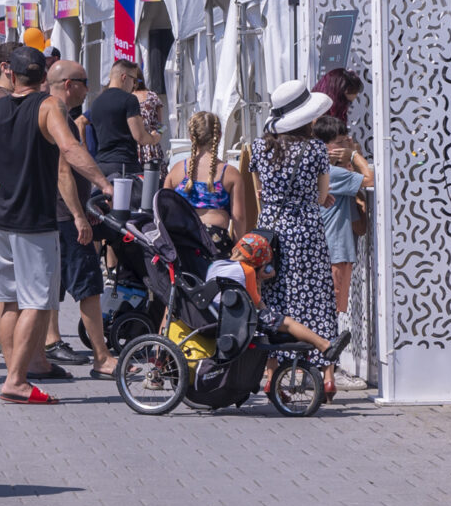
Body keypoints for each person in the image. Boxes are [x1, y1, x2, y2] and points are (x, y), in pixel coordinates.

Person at [0, 43, 112, 404]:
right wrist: (103, 182)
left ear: (11, 73)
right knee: (37, 301)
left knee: (7, 302)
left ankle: (14, 372)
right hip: (34, 221)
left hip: (0, 218)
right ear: (42, 73)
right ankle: (17, 380)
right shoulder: (48, 106)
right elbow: (69, 149)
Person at [254, 79, 344, 393]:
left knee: (274, 300)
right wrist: (312, 198)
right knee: (317, 298)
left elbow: (260, 195)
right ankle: (328, 375)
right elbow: (321, 197)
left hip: (271, 233)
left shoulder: (259, 147)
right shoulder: (317, 149)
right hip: (306, 233)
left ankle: (270, 373)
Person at [45, 59, 117, 379]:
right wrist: (80, 214)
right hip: (64, 213)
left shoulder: (38, 111)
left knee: (49, 283)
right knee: (88, 284)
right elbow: (64, 170)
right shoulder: (62, 119)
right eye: (86, 82)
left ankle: (49, 342)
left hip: (42, 214)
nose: (89, 89)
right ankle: (101, 357)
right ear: (70, 85)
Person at [210, 232, 344, 355]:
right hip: (240, 317)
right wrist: (259, 279)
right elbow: (256, 303)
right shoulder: (247, 270)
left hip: (217, 314)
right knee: (288, 323)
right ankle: (325, 346)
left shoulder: (215, 265)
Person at [164, 110, 240, 258]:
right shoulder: (230, 173)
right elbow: (239, 218)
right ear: (219, 136)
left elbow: (164, 210)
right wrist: (237, 254)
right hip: (217, 242)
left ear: (191, 137)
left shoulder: (176, 170)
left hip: (183, 242)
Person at [323, 127, 375, 317]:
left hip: (331, 253)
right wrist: (354, 154)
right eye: (342, 141)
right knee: (331, 313)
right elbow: (371, 180)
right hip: (334, 254)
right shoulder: (333, 173)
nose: (348, 143)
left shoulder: (327, 174)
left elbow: (359, 227)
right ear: (328, 147)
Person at [83, 60, 153, 178]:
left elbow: (81, 123)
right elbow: (140, 137)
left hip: (102, 166)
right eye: (134, 80)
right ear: (124, 77)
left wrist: (85, 151)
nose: (135, 85)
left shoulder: (96, 102)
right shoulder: (129, 99)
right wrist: (154, 138)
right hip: (124, 165)